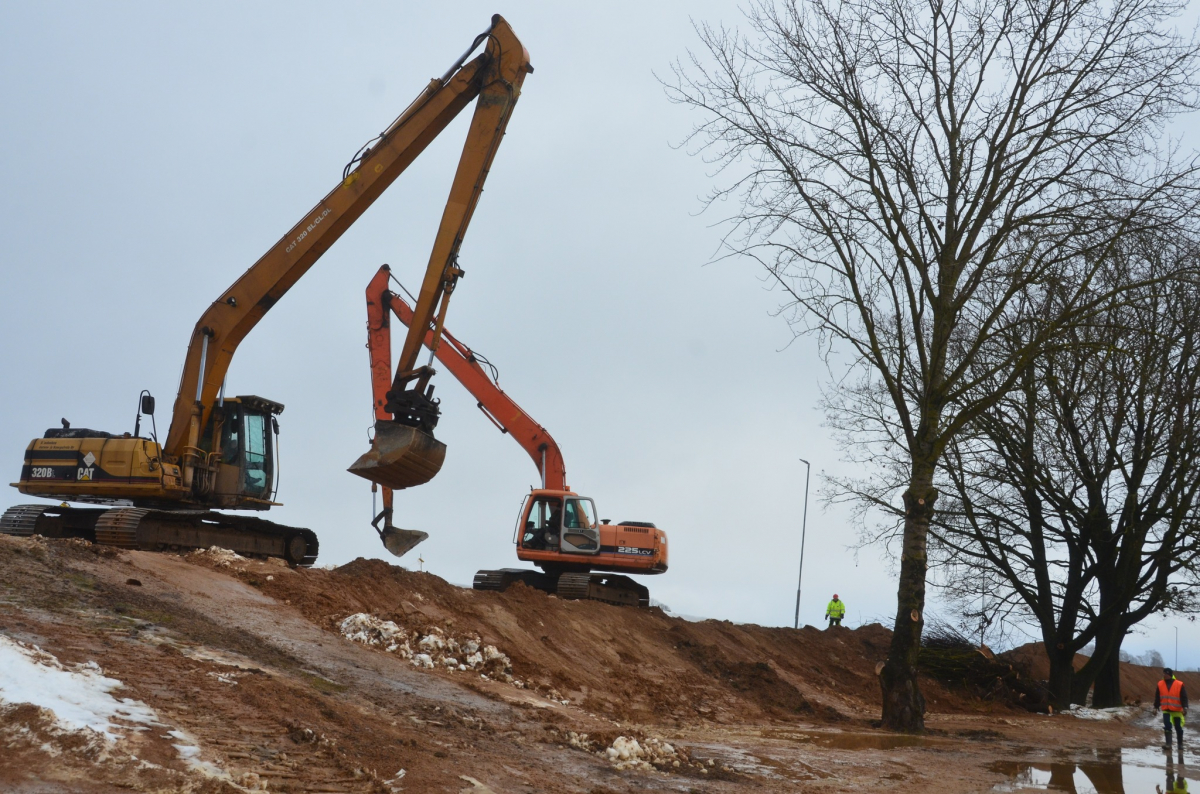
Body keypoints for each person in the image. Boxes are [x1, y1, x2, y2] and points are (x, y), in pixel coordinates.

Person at [1156, 667, 1189, 753]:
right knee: (1167, 726)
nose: (1164, 675)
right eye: (1163, 674)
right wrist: (1155, 707)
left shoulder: (1179, 684)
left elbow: (1184, 697)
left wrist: (1185, 707)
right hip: (1166, 709)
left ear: (1170, 674)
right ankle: (1168, 744)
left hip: (1177, 710)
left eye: (1166, 674)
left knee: (1178, 727)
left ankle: (1180, 744)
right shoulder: (1160, 684)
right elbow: (1157, 696)